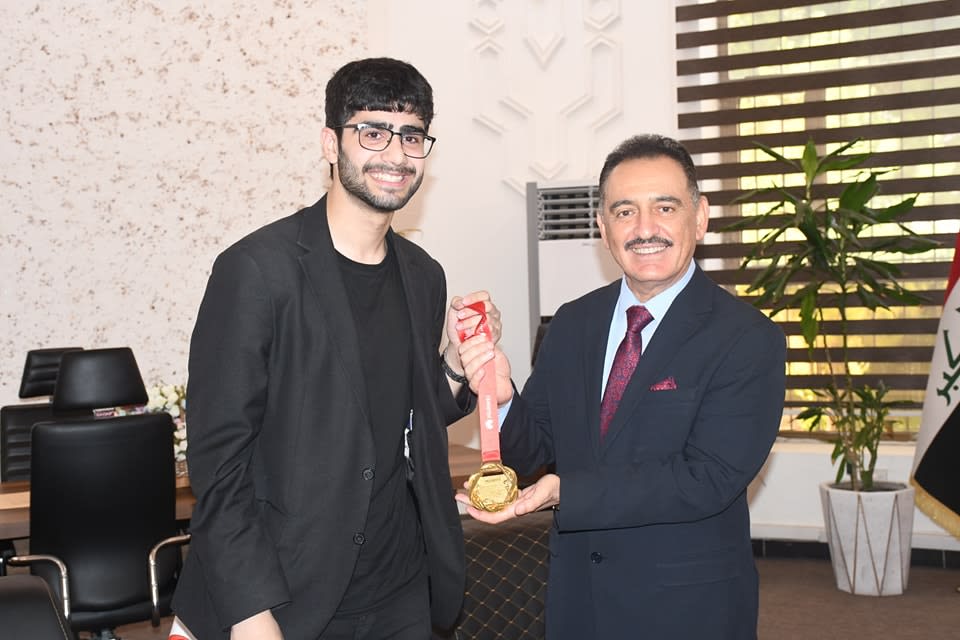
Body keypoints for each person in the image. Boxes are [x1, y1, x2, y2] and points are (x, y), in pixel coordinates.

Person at [171, 57, 500, 640]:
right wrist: (251, 614)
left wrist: (453, 367)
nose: (395, 155)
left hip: (400, 586)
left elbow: (402, 413)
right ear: (331, 143)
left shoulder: (423, 274)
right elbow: (219, 466)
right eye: (373, 132)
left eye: (413, 136)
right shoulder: (255, 271)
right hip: (286, 593)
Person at [456, 134, 786, 639]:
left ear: (700, 217)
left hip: (686, 605)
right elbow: (536, 447)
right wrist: (502, 400)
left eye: (665, 207)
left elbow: (708, 478)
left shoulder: (747, 338)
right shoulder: (571, 323)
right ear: (602, 227)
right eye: (625, 211)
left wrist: (568, 492)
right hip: (576, 595)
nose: (645, 229)